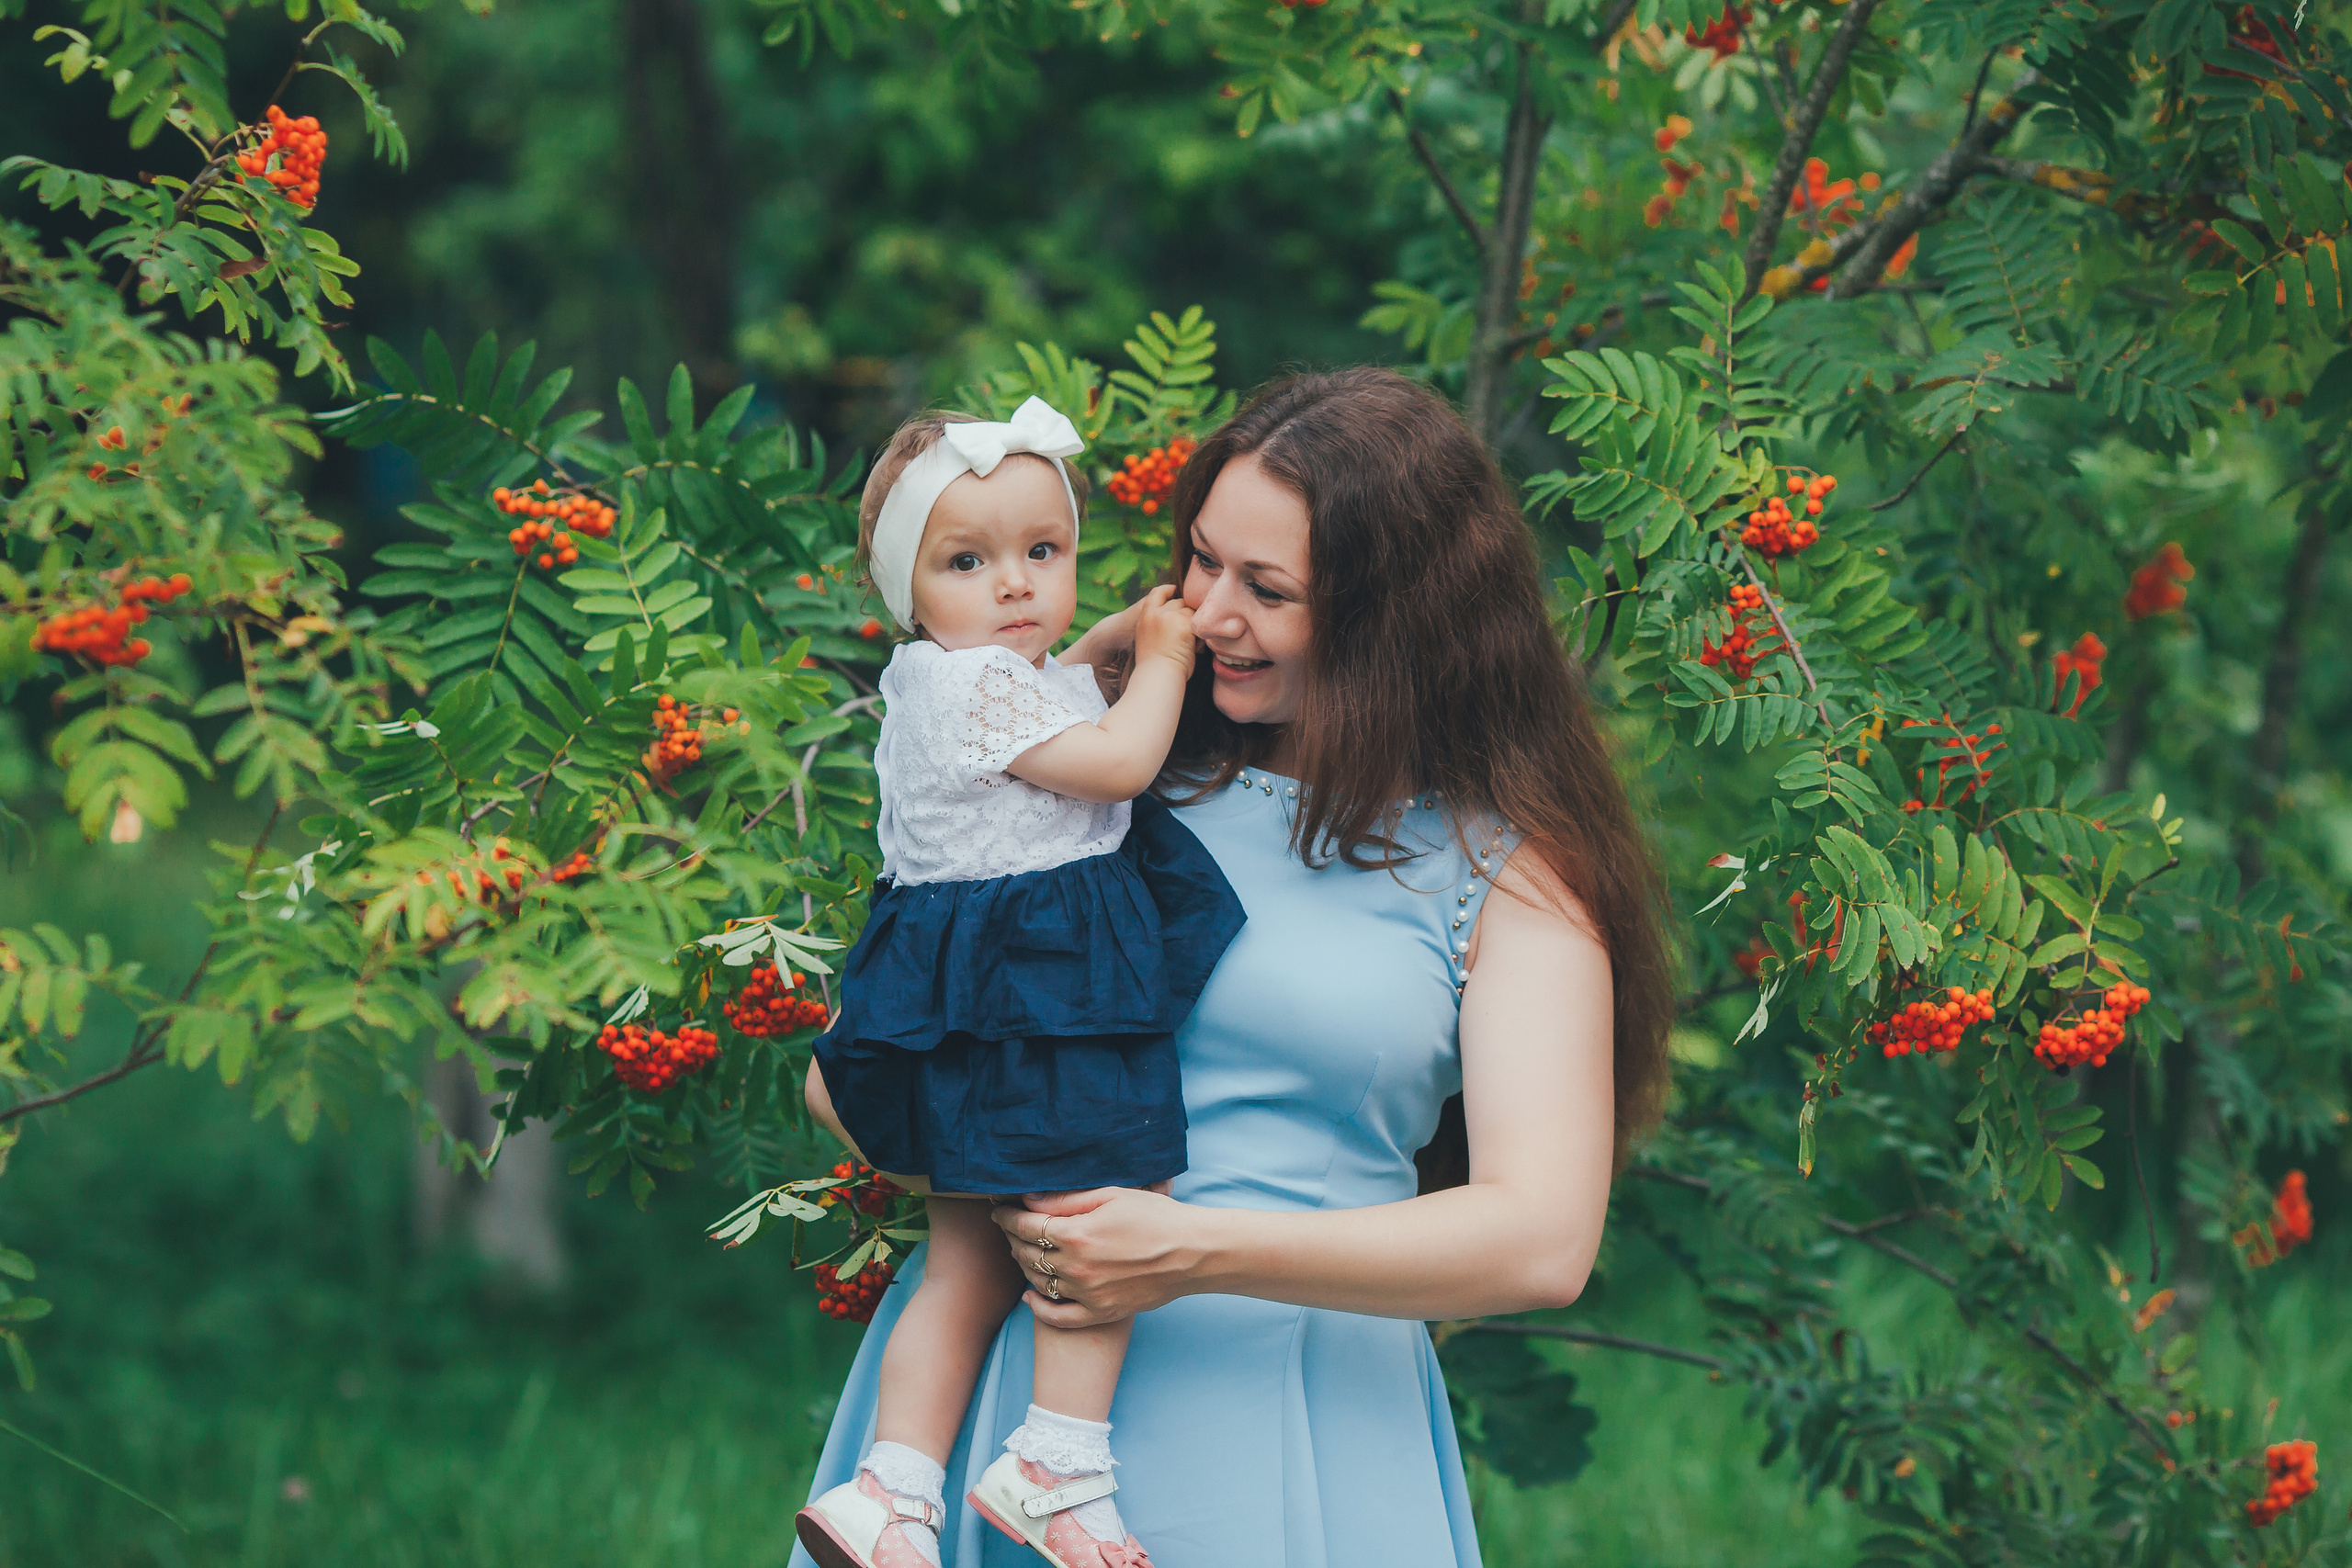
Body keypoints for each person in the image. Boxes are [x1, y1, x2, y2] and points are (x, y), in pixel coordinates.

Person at [795, 367, 1674, 1568]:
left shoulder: (1509, 874)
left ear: (1400, 621)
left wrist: (1194, 1245)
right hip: (991, 1402)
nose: (1208, 614)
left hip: (1287, 1411)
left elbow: (1539, 1239)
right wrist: (906, 1102)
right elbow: (884, 1046)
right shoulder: (1099, 758)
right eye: (1201, 561)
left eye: (1267, 588)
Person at [797, 396, 1247, 1568]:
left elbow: (1059, 680)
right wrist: (1160, 657)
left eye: (1042, 552)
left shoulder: (955, 679)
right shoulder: (974, 689)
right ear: (908, 594)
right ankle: (1056, 1462)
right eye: (967, 562)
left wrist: (1099, 647)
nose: (1015, 587)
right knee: (1098, 1212)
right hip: (1039, 994)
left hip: (966, 994)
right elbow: (1119, 759)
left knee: (963, 1260)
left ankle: (889, 1494)